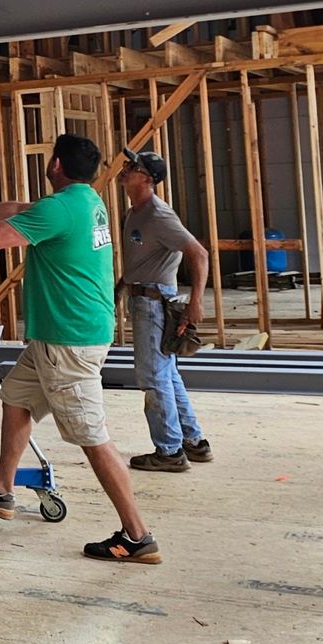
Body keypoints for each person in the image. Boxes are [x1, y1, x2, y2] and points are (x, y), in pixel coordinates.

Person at [0, 132, 160, 564]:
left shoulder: (60, 208)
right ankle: (1, 489)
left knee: (91, 437)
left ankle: (137, 535)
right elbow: (18, 210)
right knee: (15, 399)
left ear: (55, 164)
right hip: (59, 338)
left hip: (68, 343)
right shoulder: (84, 201)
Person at [118, 146, 212, 473]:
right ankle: (193, 441)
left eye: (133, 167)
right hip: (144, 299)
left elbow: (198, 254)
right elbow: (137, 263)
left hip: (155, 304)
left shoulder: (158, 215)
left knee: (153, 379)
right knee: (167, 375)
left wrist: (196, 301)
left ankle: (169, 451)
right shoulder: (135, 212)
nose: (126, 169)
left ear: (146, 178)